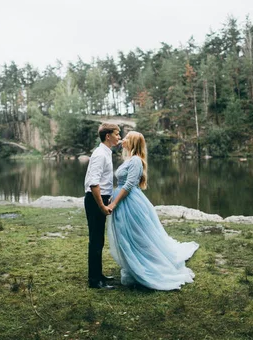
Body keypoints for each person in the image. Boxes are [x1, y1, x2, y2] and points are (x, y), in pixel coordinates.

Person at [107, 131, 199, 290]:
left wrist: (114, 203)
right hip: (122, 200)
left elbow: (129, 185)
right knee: (126, 234)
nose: (123, 139)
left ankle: (145, 264)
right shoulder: (128, 159)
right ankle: (133, 263)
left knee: (137, 234)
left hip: (129, 202)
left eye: (127, 138)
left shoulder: (135, 160)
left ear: (133, 143)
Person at [83, 123, 121, 290]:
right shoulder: (100, 154)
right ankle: (94, 281)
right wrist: (102, 206)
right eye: (117, 134)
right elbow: (93, 183)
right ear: (108, 136)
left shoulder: (106, 152)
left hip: (101, 198)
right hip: (95, 200)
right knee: (96, 240)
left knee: (99, 240)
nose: (119, 137)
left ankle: (99, 275)